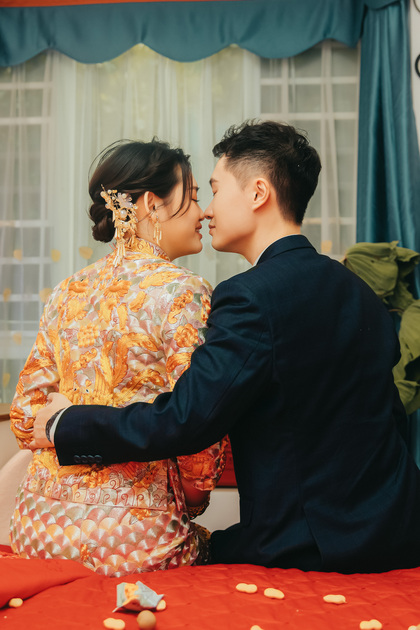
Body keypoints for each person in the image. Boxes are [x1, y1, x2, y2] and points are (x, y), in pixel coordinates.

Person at [33, 120, 420, 574]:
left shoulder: (249, 297)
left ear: (258, 194)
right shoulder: (360, 293)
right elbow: (388, 422)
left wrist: (65, 424)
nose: (208, 211)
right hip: (399, 531)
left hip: (312, 545)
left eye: (214, 191)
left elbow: (186, 419)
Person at [10, 139, 227, 576]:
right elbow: (201, 427)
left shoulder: (68, 290)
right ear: (151, 204)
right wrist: (195, 496)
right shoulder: (185, 291)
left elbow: (24, 416)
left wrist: (66, 420)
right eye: (192, 198)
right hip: (134, 538)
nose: (202, 212)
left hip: (37, 529)